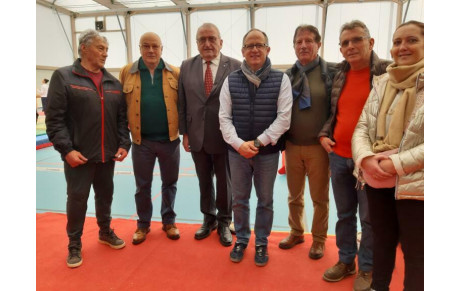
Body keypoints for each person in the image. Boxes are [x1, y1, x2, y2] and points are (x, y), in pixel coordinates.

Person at [45, 29, 131, 268]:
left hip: (107, 155)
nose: (105, 53)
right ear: (84, 48)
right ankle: (74, 243)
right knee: (77, 199)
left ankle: (105, 231)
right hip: (79, 156)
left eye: (106, 49)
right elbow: (55, 120)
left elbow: (121, 119)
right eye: (100, 48)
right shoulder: (64, 77)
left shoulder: (113, 82)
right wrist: (66, 150)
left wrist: (124, 143)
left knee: (105, 196)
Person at [352, 21, 424, 291]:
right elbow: (362, 127)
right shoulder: (382, 83)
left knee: (416, 253)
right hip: (376, 178)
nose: (402, 47)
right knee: (381, 242)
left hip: (416, 184)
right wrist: (366, 159)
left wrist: (395, 163)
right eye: (397, 42)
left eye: (412, 40)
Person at [319, 20, 391, 291]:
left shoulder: (387, 71)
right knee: (344, 213)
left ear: (370, 43)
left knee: (370, 218)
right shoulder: (339, 74)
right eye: (345, 43)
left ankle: (368, 268)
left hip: (370, 160)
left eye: (356, 40)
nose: (350, 46)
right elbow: (334, 112)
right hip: (338, 156)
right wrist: (324, 134)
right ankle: (346, 260)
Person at [219, 28, 292, 266]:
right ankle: (241, 238)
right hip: (237, 154)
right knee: (239, 199)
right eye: (249, 46)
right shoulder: (230, 80)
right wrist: (240, 145)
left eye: (259, 45)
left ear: (268, 49)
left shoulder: (282, 79)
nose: (254, 49)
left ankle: (261, 242)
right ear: (242, 51)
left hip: (267, 153)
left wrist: (260, 141)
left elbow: (284, 118)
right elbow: (224, 118)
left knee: (265, 200)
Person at [178, 23, 241, 246]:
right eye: (202, 39)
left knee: (225, 183)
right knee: (204, 181)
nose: (207, 43)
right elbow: (182, 102)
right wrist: (184, 133)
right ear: (196, 43)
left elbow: (241, 104)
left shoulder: (235, 66)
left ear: (220, 42)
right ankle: (208, 218)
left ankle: (224, 221)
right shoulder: (186, 66)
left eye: (212, 38)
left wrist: (238, 137)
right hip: (197, 135)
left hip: (225, 137)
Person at [279, 25, 337, 260]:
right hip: (292, 146)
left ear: (318, 44)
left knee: (319, 197)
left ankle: (320, 239)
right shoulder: (287, 76)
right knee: (294, 195)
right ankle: (296, 232)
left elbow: (336, 109)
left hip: (319, 148)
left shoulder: (331, 73)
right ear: (293, 46)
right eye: (299, 41)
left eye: (308, 41)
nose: (303, 45)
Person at [119, 32, 181, 244]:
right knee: (142, 185)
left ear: (162, 48)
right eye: (146, 46)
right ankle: (143, 225)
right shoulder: (128, 71)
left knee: (170, 183)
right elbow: (120, 107)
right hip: (141, 142)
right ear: (140, 48)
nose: (151, 50)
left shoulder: (175, 72)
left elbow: (184, 106)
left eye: (155, 46)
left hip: (170, 141)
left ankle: (169, 221)